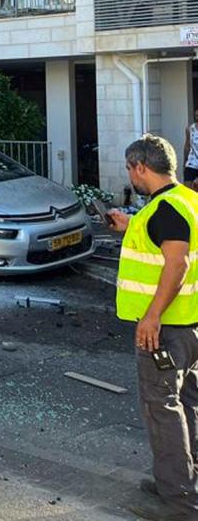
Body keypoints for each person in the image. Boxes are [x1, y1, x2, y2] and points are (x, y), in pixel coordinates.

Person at [109, 134, 198, 521]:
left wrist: (151, 316)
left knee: (161, 407)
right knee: (187, 404)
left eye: (131, 170)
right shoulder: (185, 201)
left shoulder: (165, 210)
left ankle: (178, 500)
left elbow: (177, 264)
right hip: (190, 326)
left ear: (141, 167)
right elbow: (167, 241)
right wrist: (130, 225)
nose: (131, 177)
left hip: (167, 331)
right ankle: (180, 479)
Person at [182, 110, 198, 189]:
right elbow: (187, 146)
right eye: (196, 115)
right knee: (187, 188)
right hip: (192, 162)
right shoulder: (190, 129)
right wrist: (184, 162)